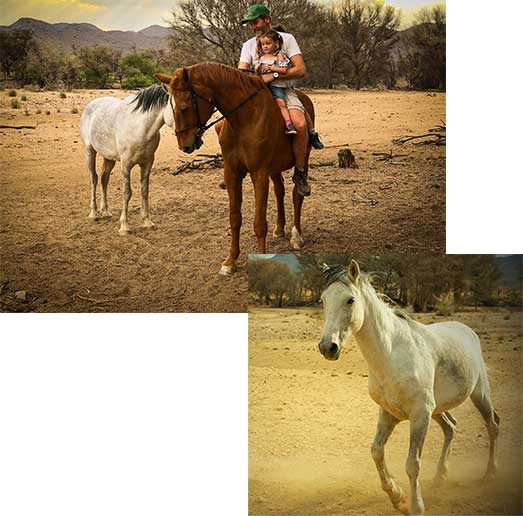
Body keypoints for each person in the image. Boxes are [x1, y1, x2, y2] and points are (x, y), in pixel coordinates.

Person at [239, 3, 323, 196]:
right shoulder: (248, 45)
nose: (253, 26)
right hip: (256, 94)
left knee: (300, 125)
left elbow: (300, 69)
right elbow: (243, 71)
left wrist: (274, 76)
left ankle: (300, 172)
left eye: (256, 21)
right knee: (222, 126)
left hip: (284, 91)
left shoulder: (287, 39)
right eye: (250, 24)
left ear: (267, 19)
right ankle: (235, 167)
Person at [255, 29, 297, 135]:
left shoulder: (279, 57)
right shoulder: (261, 58)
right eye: (263, 44)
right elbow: (257, 72)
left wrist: (271, 67)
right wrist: (257, 68)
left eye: (268, 43)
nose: (265, 46)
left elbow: (284, 70)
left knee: (281, 103)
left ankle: (288, 124)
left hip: (276, 85)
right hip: (262, 85)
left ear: (276, 44)